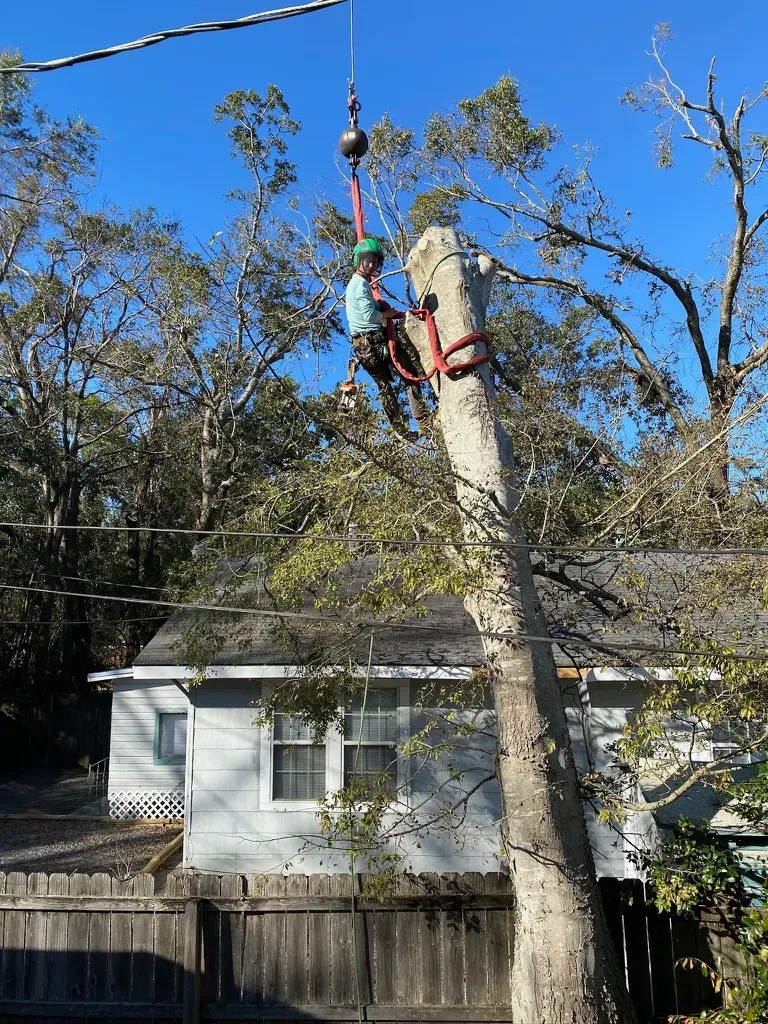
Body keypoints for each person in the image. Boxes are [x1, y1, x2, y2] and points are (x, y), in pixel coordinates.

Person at [344, 238, 429, 435]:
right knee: (409, 373)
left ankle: (401, 429)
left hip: (364, 345)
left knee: (385, 387)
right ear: (358, 260)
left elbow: (368, 310)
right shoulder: (360, 285)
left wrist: (381, 307)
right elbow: (369, 316)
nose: (371, 265)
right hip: (374, 341)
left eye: (375, 261)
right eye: (367, 260)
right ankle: (422, 420)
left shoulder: (357, 284)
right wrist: (387, 314)